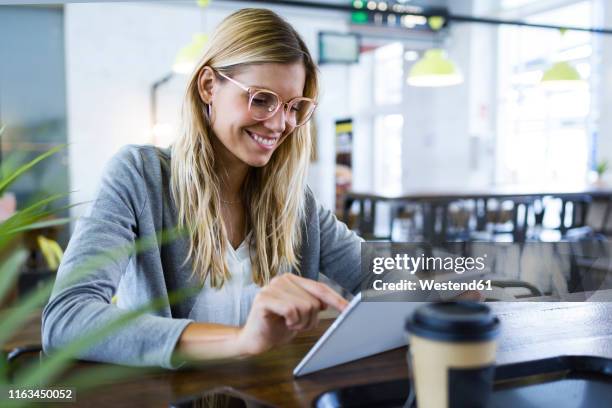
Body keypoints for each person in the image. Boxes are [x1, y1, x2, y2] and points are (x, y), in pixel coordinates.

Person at [41, 8, 363, 369]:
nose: (279, 123)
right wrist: (242, 341)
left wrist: (433, 272)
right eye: (260, 99)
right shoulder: (140, 176)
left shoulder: (295, 203)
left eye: (292, 107)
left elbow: (387, 275)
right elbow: (66, 320)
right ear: (209, 86)